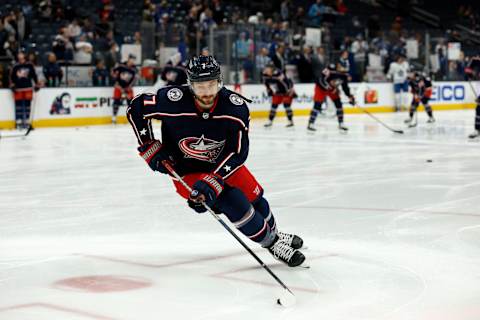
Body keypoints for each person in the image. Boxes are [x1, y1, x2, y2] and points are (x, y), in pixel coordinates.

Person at [126, 55, 306, 267]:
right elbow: (136, 107)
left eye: (212, 85)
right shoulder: (171, 100)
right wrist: (148, 145)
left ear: (220, 81)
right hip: (186, 171)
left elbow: (239, 152)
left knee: (255, 196)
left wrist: (216, 177)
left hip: (224, 165)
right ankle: (272, 243)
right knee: (233, 201)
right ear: (190, 85)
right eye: (201, 87)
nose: (208, 93)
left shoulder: (234, 108)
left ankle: (274, 232)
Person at [307, 63, 355, 132]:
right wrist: (328, 87)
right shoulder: (330, 70)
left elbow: (345, 88)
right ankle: (311, 123)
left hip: (331, 88)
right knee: (317, 104)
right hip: (321, 88)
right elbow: (320, 80)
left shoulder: (344, 76)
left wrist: (350, 96)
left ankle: (341, 123)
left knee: (338, 103)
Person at [9, 51, 39, 129]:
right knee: (18, 105)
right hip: (18, 89)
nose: (20, 56)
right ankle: (19, 122)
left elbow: (34, 75)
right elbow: (12, 77)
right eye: (19, 55)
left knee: (27, 105)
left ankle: (27, 122)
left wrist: (36, 84)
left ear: (24, 56)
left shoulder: (29, 65)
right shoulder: (15, 66)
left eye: (22, 55)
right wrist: (12, 85)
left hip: (28, 88)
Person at [111, 55, 137, 124]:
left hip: (128, 87)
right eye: (132, 60)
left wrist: (130, 86)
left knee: (131, 102)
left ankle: (131, 117)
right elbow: (113, 73)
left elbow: (134, 79)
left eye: (134, 60)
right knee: (116, 101)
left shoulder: (134, 68)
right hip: (118, 86)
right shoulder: (121, 66)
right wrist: (117, 84)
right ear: (128, 59)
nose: (132, 62)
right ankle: (114, 117)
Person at [465, 54, 480, 139]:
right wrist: (468, 74)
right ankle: (477, 129)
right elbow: (469, 67)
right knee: (478, 108)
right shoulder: (476, 58)